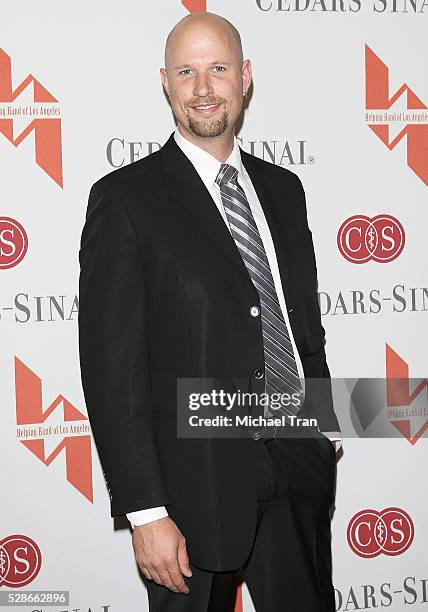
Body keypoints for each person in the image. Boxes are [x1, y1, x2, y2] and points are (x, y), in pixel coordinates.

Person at [78, 11, 342, 612]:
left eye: (218, 69)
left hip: (297, 465)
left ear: (245, 77)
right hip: (191, 489)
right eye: (186, 72)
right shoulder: (124, 199)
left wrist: (322, 430)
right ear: (165, 83)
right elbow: (112, 369)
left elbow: (302, 323)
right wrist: (147, 511)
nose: (203, 88)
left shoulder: (283, 189)